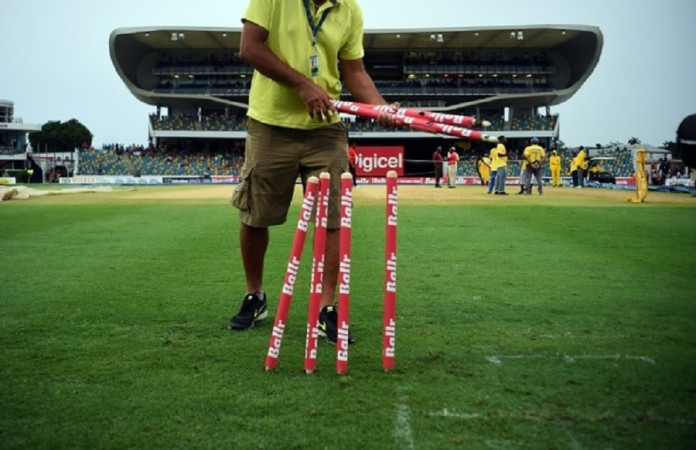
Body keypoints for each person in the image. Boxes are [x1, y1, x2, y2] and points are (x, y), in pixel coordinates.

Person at [228, 0, 398, 345]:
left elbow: (354, 71)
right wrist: (302, 84)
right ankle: (255, 295)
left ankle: (326, 310)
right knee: (255, 216)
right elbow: (249, 47)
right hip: (270, 123)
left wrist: (379, 108)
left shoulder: (349, 9)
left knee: (333, 218)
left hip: (326, 128)